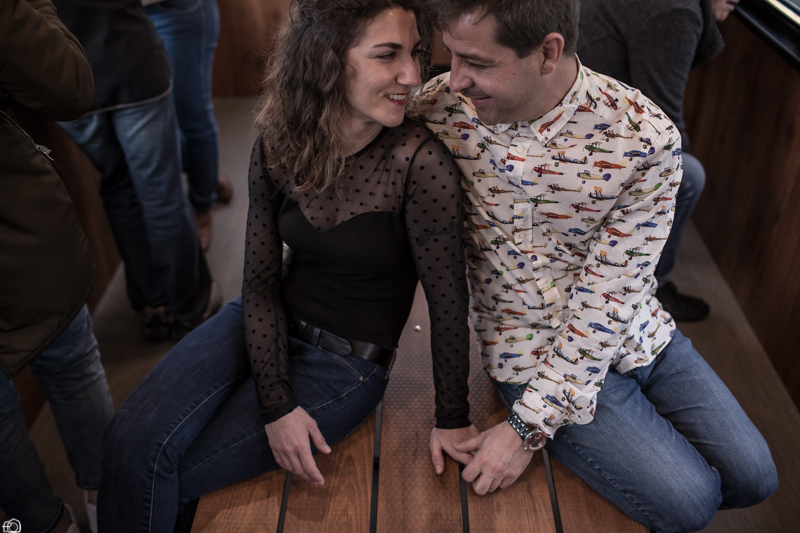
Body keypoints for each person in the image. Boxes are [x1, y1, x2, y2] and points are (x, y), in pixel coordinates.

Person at [97, 0, 476, 530]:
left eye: (415, 53)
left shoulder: (421, 163)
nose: (413, 75)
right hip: (262, 321)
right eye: (387, 55)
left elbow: (448, 305)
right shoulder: (279, 142)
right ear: (327, 59)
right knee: (128, 439)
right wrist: (275, 404)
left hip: (344, 364)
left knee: (167, 471)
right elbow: (257, 285)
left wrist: (452, 418)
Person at [417, 1, 777, 531]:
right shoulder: (441, 107)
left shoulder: (645, 137)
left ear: (548, 52)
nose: (455, 78)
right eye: (451, 55)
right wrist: (530, 419)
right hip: (528, 351)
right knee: (692, 502)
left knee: (756, 478)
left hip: (633, 329)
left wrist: (523, 432)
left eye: (477, 62)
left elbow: (611, 298)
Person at [1, 1, 114, 532]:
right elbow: (68, 86)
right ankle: (107, 500)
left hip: (20, 236)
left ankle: (44, 524)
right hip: (17, 230)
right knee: (70, 361)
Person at [52, 0, 221, 340]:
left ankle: (152, 307)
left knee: (118, 184)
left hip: (67, 82)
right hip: (130, 62)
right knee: (162, 192)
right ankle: (191, 305)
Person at [577, 0, 738, 322]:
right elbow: (665, 126)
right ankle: (651, 290)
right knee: (688, 176)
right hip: (581, 133)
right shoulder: (676, 12)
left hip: (581, 115)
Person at [143, 0, 232, 251]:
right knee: (157, 121)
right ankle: (207, 174)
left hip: (176, 9)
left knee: (192, 114)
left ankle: (202, 207)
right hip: (126, 15)